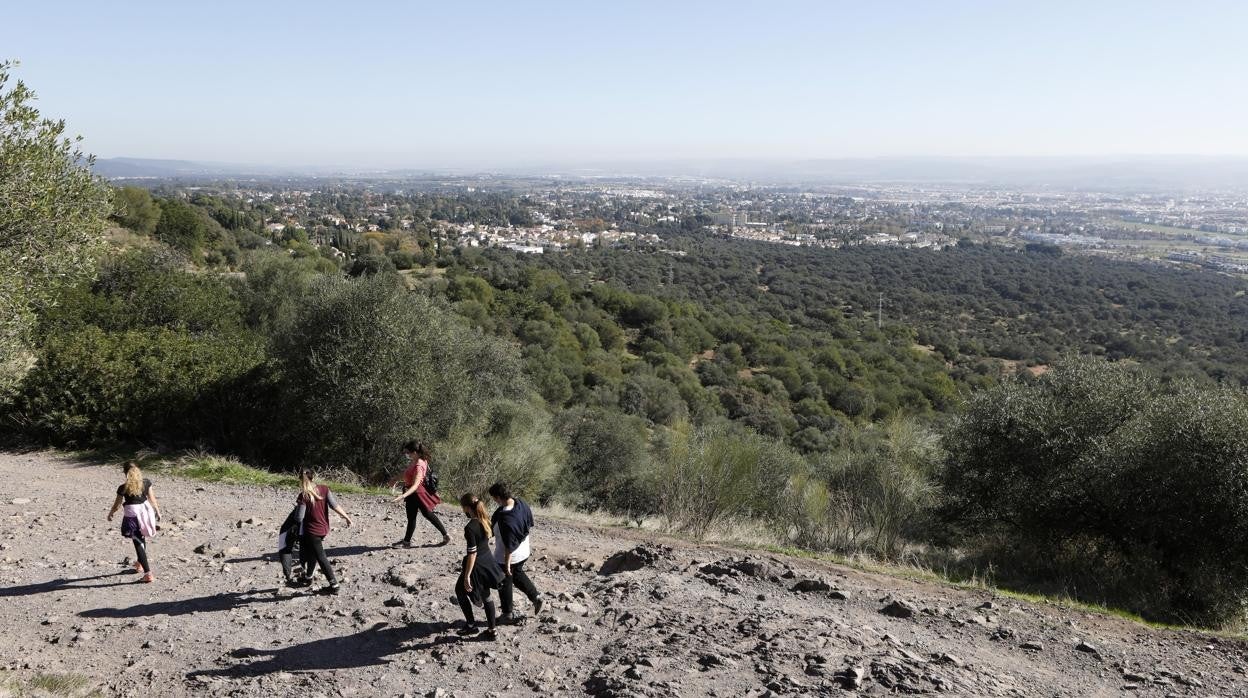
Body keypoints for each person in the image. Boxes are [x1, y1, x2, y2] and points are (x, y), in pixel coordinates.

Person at [488, 482, 544, 621]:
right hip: (524, 550)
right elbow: (529, 522)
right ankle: (536, 597)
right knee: (517, 573)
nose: (494, 501)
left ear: (499, 497)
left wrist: (506, 564)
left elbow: (509, 545)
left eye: (494, 498)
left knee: (504, 581)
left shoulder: (505, 518)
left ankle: (507, 614)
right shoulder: (521, 503)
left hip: (509, 555)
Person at [454, 493, 505, 639]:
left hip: (477, 565)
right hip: (488, 562)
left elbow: (472, 553)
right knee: (487, 596)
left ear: (467, 508)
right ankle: (492, 630)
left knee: (459, 590)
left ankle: (471, 625)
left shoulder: (470, 527)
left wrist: (467, 575)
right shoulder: (485, 520)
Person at [293, 469, 352, 594]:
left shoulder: (303, 495)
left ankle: (334, 585)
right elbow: (334, 505)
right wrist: (346, 517)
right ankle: (308, 578)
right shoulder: (324, 489)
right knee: (312, 552)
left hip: (311, 531)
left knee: (321, 556)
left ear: (300, 480)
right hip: (323, 529)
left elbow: (299, 517)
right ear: (313, 478)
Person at [106, 461, 162, 583]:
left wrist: (111, 513)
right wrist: (157, 511)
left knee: (137, 542)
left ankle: (148, 574)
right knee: (142, 538)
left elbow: (117, 505)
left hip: (132, 515)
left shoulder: (123, 487)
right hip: (146, 512)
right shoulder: (146, 483)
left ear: (125, 473)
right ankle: (139, 563)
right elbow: (152, 498)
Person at [390, 441, 449, 547]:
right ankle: (445, 535)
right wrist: (395, 479)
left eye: (408, 452)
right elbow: (406, 473)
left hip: (415, 493)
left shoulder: (418, 465)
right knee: (426, 514)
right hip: (415, 493)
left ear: (415, 452)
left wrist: (403, 496)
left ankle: (407, 542)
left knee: (417, 516)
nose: (406, 454)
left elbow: (415, 485)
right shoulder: (418, 460)